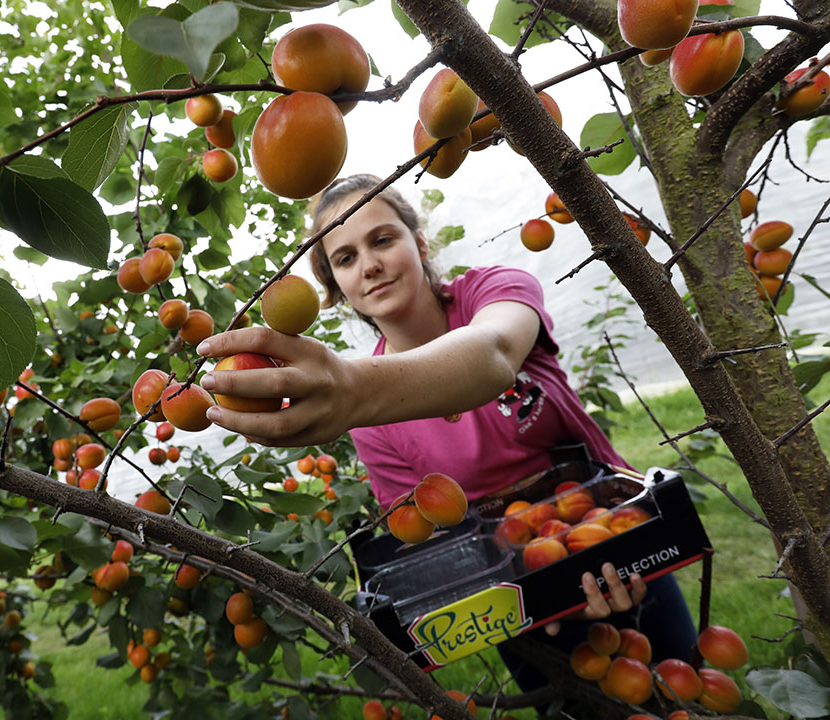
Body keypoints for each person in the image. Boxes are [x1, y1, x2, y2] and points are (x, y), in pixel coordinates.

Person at [195, 174, 696, 689]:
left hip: (618, 539)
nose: (369, 265)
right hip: (512, 597)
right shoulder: (368, 421)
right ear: (336, 287)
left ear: (420, 242)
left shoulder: (491, 291)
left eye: (383, 239)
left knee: (686, 689)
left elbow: (494, 354)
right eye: (344, 259)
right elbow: (424, 536)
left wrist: (353, 392)